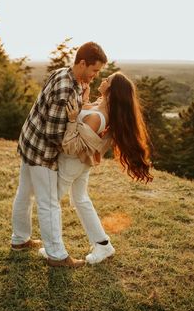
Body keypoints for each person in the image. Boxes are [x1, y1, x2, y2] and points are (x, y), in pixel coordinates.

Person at [39, 71, 152, 264]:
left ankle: (54, 250)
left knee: (51, 202)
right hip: (82, 164)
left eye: (107, 80)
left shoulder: (98, 118)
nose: (103, 80)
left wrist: (73, 120)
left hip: (73, 162)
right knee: (81, 199)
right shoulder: (100, 106)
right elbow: (86, 113)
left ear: (112, 89)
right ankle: (103, 245)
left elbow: (73, 146)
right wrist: (84, 99)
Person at [11, 42, 107, 268]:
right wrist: (76, 145)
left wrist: (82, 99)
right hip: (42, 151)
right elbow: (54, 134)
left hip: (29, 141)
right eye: (94, 70)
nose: (95, 75)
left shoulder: (64, 73)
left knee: (24, 193)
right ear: (82, 63)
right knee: (49, 203)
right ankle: (56, 255)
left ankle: (19, 239)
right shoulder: (66, 87)